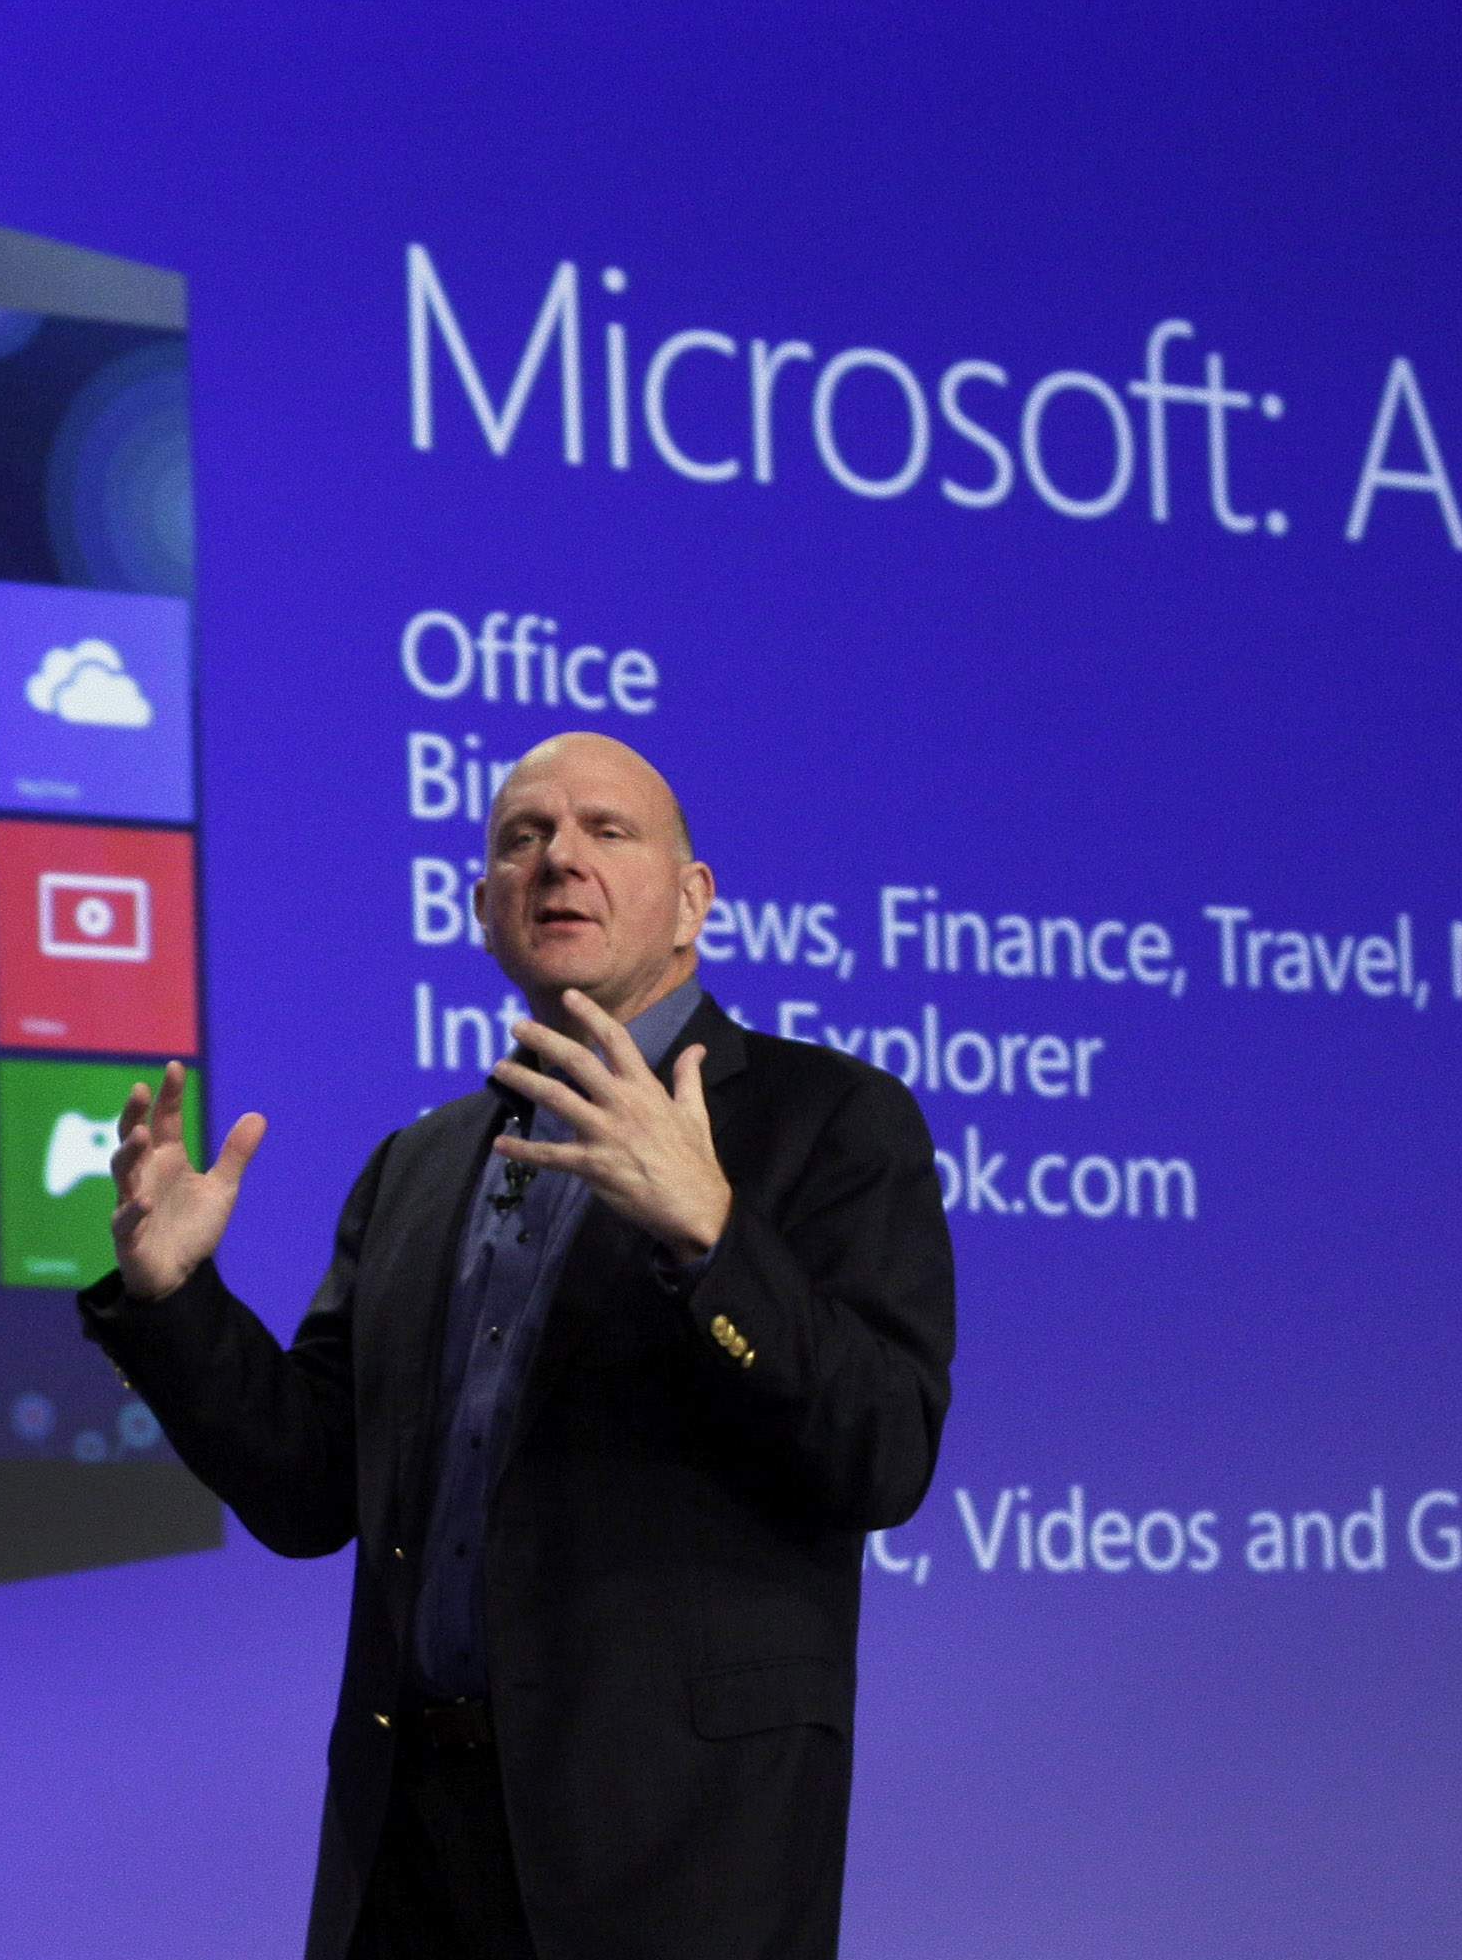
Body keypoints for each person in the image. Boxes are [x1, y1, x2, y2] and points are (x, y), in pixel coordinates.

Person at [79, 731, 955, 1960]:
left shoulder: (830, 1120)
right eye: (522, 838)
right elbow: (309, 1490)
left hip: (675, 1853)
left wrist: (712, 1236)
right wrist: (176, 1299)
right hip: (411, 1848)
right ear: (484, 907)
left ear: (692, 901)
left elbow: (883, 1452)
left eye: (607, 830)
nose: (558, 859)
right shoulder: (418, 1164)